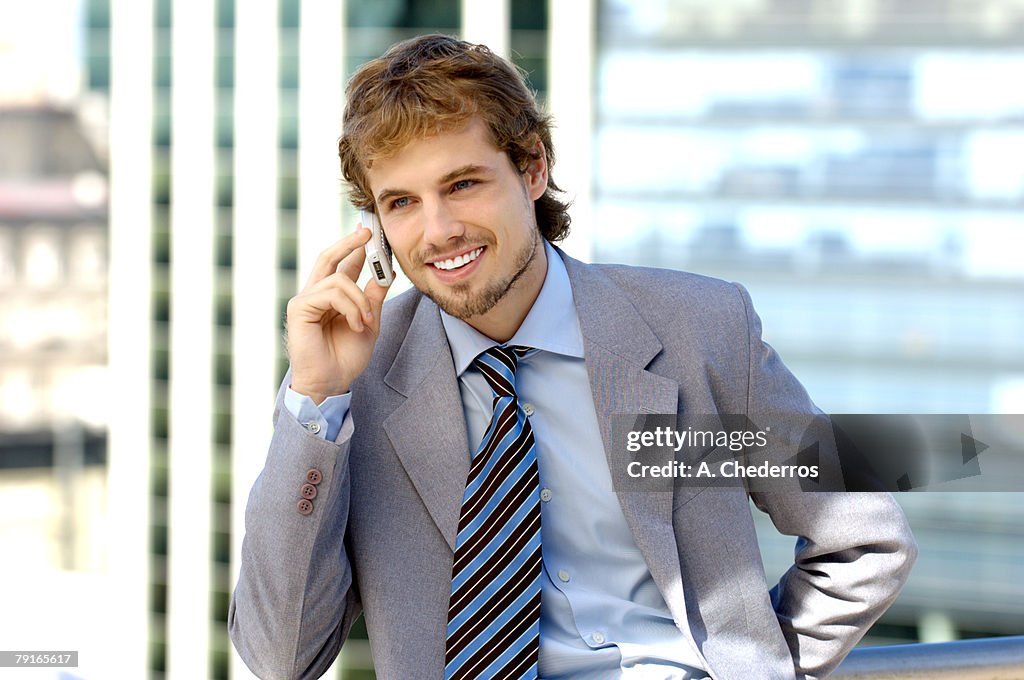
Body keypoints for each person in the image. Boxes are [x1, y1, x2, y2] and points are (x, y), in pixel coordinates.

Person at [229, 34, 917, 680]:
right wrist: (316, 399)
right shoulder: (359, 383)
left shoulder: (695, 333)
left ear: (532, 168)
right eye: (402, 202)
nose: (438, 231)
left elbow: (864, 539)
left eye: (463, 184)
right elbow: (279, 656)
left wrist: (757, 665)